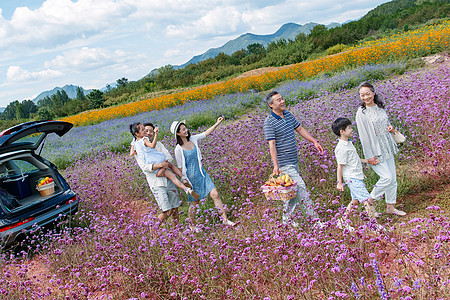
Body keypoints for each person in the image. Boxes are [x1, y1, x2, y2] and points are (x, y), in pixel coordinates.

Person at [263, 91, 324, 226]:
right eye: (278, 100)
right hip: (284, 164)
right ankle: (315, 221)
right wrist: (276, 166)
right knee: (301, 188)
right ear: (271, 105)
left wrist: (314, 141)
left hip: (293, 160)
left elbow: (300, 129)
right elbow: (272, 145)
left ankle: (286, 221)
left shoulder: (288, 115)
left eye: (282, 98)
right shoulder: (269, 122)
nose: (282, 101)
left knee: (292, 192)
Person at [171, 118, 236, 229]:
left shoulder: (193, 139)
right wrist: (185, 182)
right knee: (194, 203)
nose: (186, 130)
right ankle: (192, 225)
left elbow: (206, 133)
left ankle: (225, 219)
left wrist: (217, 123)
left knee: (215, 194)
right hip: (191, 178)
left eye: (185, 128)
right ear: (178, 133)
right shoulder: (178, 149)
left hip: (202, 173)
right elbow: (180, 168)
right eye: (183, 129)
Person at [355, 82, 406, 216]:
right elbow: (364, 137)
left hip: (387, 146)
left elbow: (386, 123)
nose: (365, 97)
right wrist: (369, 156)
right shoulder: (362, 113)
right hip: (375, 150)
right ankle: (370, 201)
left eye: (367, 94)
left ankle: (390, 207)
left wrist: (391, 128)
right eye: (362, 95)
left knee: (393, 179)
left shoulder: (379, 107)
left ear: (373, 93)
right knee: (387, 178)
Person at [332, 117, 379, 230]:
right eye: (349, 128)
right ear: (342, 131)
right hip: (352, 178)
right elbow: (340, 166)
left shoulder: (348, 144)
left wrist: (368, 161)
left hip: (357, 176)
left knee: (355, 201)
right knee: (367, 200)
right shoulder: (341, 148)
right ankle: (374, 226)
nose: (352, 130)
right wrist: (339, 183)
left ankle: (342, 221)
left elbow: (355, 159)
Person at [131, 122, 182, 227]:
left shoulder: (159, 145)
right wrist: (161, 165)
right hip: (157, 184)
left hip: (169, 180)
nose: (149, 133)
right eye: (146, 130)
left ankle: (177, 230)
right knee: (166, 211)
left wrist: (162, 168)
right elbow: (145, 167)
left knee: (175, 208)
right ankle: (153, 229)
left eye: (151, 131)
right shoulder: (139, 149)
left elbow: (169, 157)